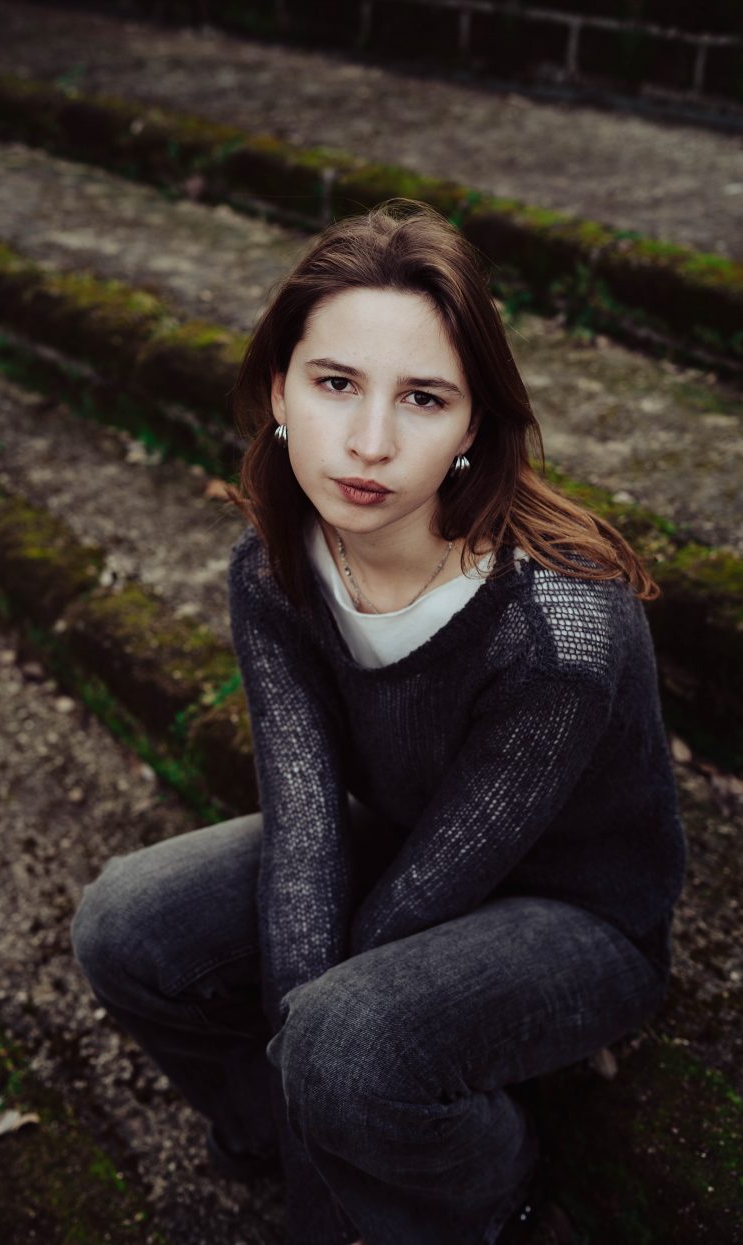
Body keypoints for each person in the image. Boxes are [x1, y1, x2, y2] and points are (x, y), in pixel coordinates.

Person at [71, 198, 688, 1245]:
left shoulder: (556, 633)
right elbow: (306, 831)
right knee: (125, 924)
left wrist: (317, 1046)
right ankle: (299, 1137)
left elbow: (416, 907)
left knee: (344, 1044)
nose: (366, 443)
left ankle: (497, 1194)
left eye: (422, 399)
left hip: (577, 915)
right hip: (400, 843)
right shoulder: (275, 570)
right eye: (334, 384)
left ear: (471, 426)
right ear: (278, 388)